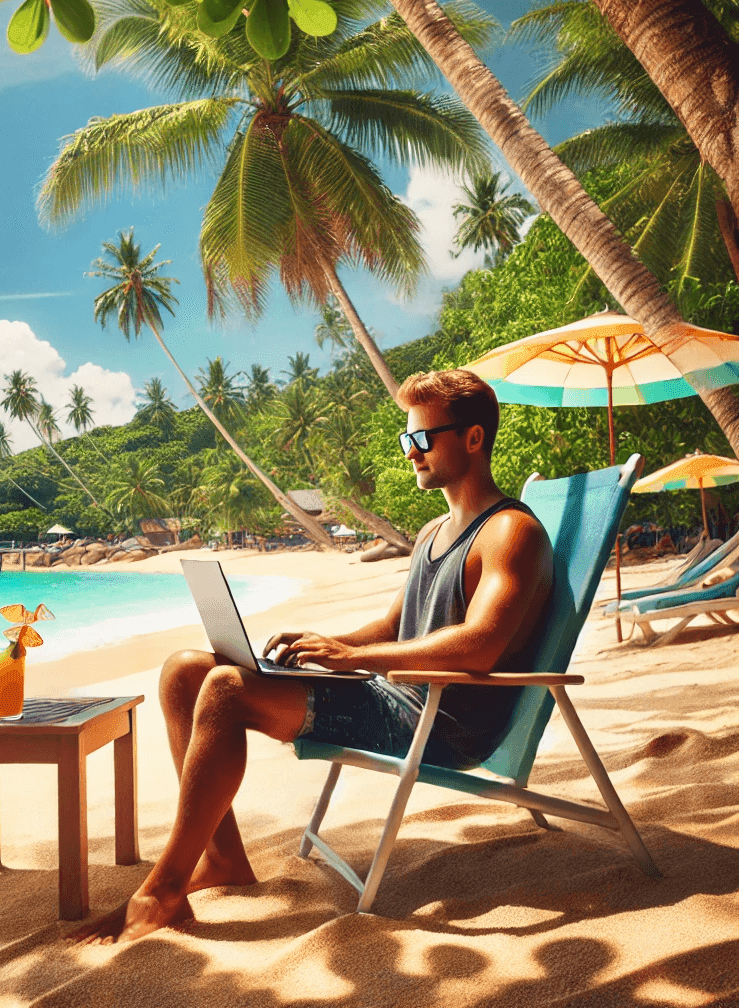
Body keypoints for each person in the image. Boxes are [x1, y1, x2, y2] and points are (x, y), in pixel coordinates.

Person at [82, 369, 554, 943]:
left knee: (228, 691)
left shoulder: (509, 532)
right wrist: (327, 645)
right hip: (396, 697)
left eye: (421, 439)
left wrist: (356, 662)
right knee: (186, 670)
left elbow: (481, 645)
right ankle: (222, 860)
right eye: (406, 441)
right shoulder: (435, 530)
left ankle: (162, 891)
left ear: (473, 439)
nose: (411, 453)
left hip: (442, 723)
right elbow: (391, 625)